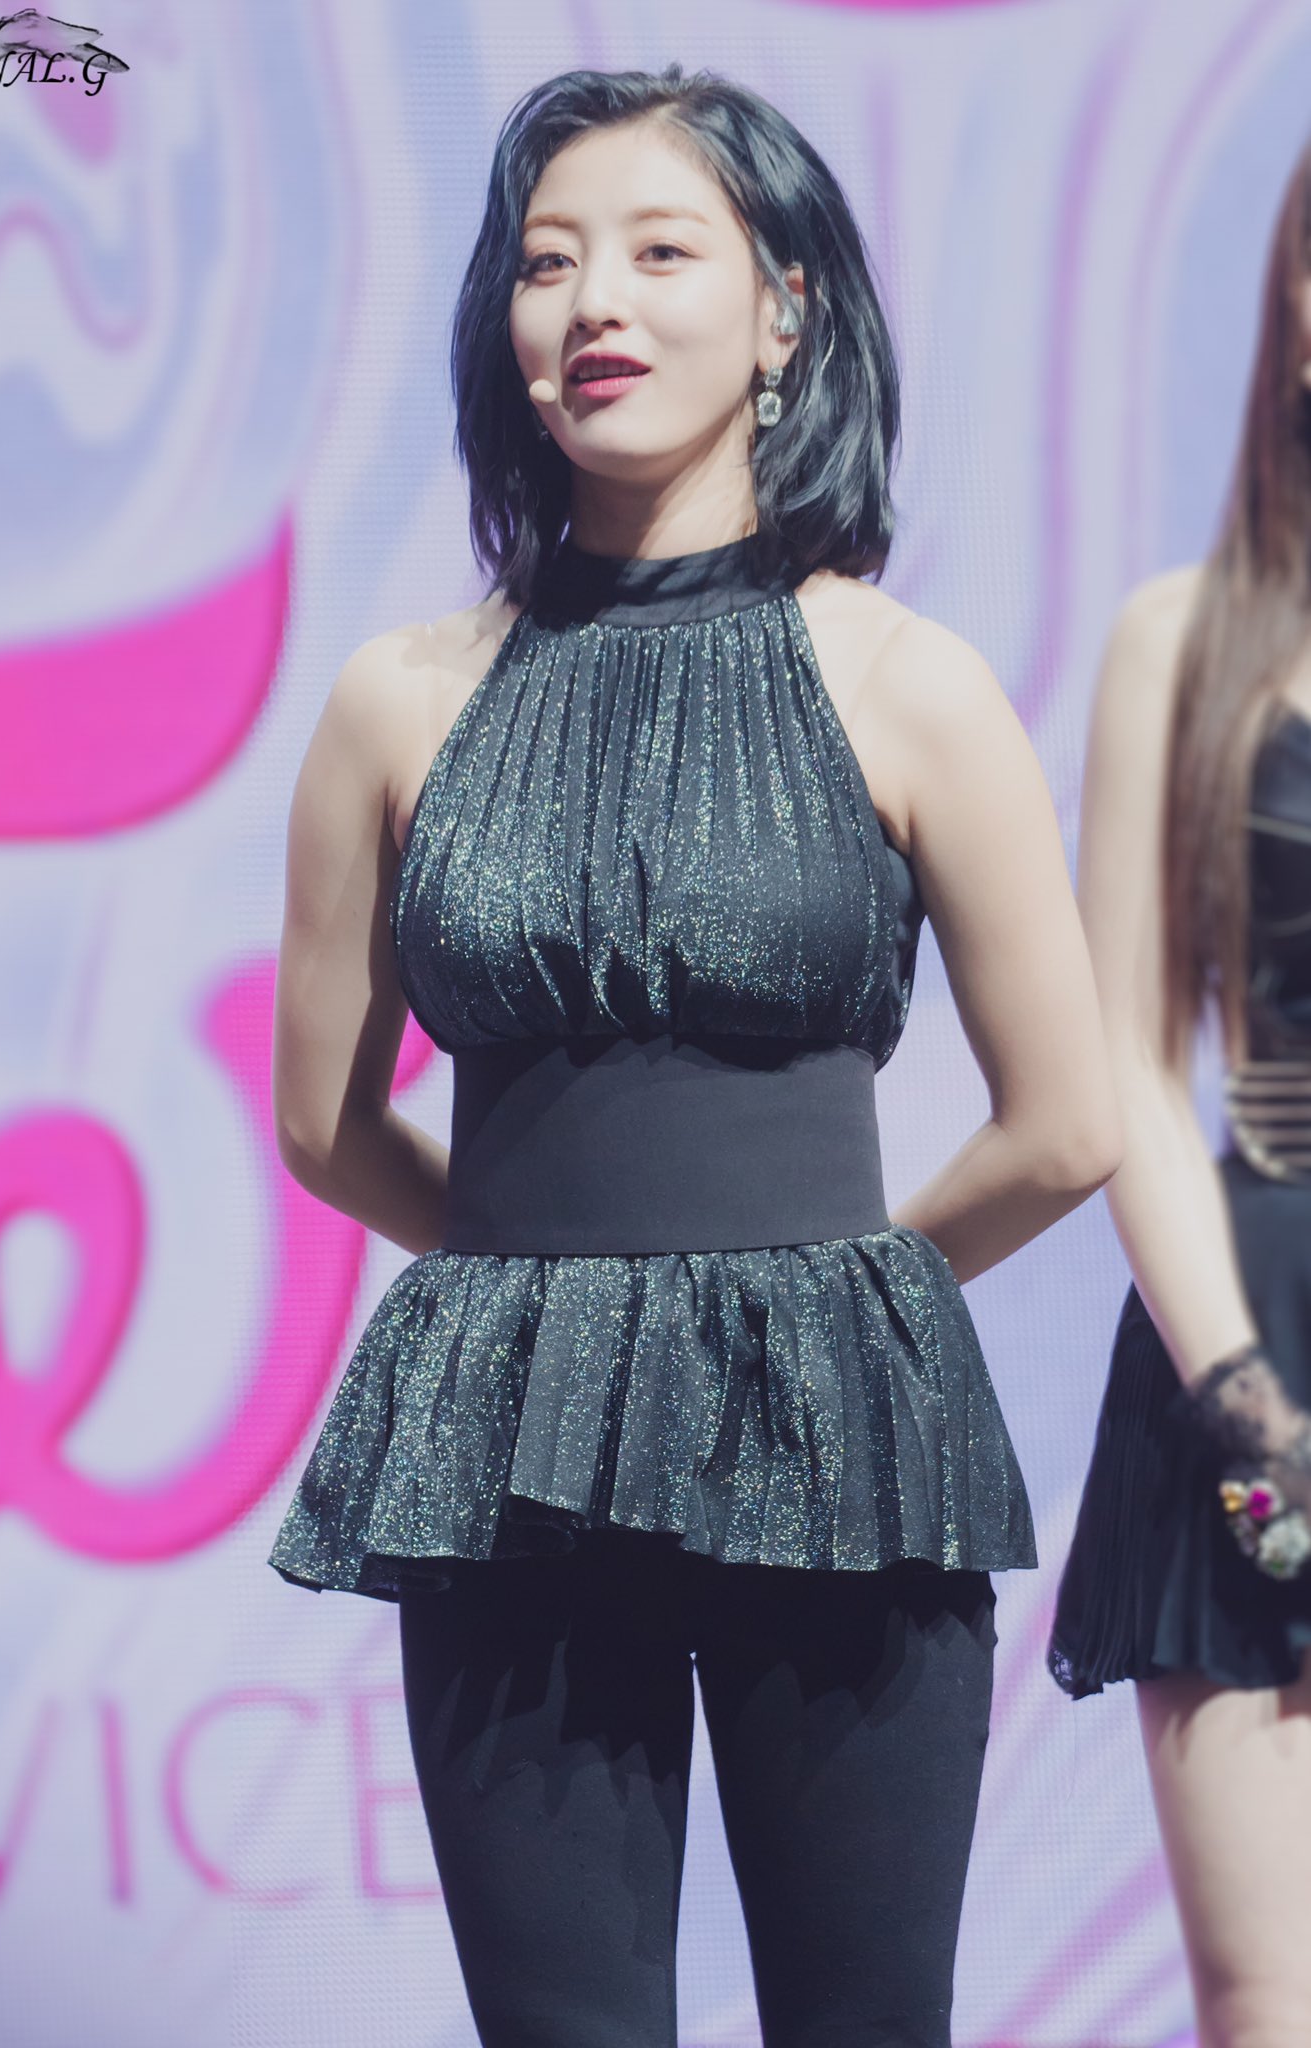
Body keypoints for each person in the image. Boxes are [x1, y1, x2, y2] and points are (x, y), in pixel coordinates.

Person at [268, 63, 1120, 2048]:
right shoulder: (398, 699)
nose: (595, 303)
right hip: (510, 1445)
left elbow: (1068, 1121)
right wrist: (543, 1299)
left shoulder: (908, 684)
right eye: (546, 262)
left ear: (783, 310)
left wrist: (821, 1300)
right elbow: (322, 1121)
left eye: (661, 252)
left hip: (838, 1437)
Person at [1049, 138, 1311, 2048]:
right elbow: (1124, 1061)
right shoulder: (1182, 638)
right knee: (1267, 1994)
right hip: (1256, 1321)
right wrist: (1243, 1402)